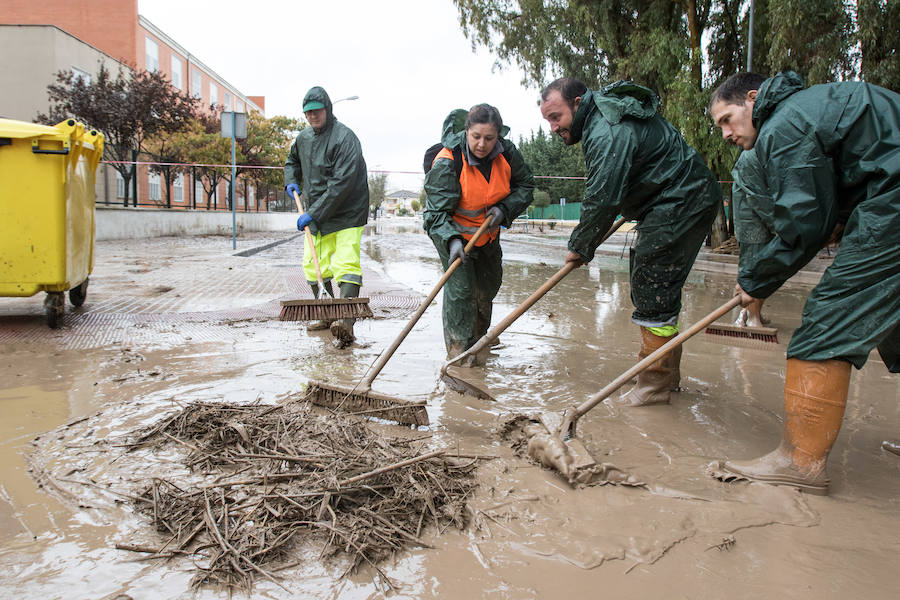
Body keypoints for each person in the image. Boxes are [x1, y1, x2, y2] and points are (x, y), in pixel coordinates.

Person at [709, 71, 900, 494]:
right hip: (887, 199)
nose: (724, 133)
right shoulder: (813, 106)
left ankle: (799, 463)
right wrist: (842, 220)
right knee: (894, 323)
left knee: (828, 318)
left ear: (754, 100)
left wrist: (756, 280)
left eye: (726, 119)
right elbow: (859, 171)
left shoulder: (784, 125)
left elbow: (804, 225)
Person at [539, 77, 720, 405]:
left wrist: (580, 245)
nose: (553, 127)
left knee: (653, 287)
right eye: (547, 120)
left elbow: (602, 195)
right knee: (658, 289)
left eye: (556, 117)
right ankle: (668, 380)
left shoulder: (606, 128)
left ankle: (653, 387)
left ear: (578, 104)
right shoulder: (604, 117)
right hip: (673, 197)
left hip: (679, 200)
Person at [423, 104, 534, 364]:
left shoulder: (507, 153)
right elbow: (435, 215)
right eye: (476, 137)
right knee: (461, 292)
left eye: (489, 138)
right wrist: (451, 241)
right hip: (453, 237)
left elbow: (526, 184)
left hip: (488, 235)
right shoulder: (448, 162)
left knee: (487, 287)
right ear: (467, 132)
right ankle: (458, 355)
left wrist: (505, 209)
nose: (482, 144)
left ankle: (478, 341)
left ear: (498, 136)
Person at [284, 86, 369, 349]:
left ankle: (345, 321)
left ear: (328, 109)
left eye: (317, 111)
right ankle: (325, 314)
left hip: (347, 212)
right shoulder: (303, 139)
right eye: (308, 113)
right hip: (318, 213)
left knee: (345, 264)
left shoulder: (345, 138)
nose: (313, 117)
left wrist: (313, 213)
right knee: (313, 264)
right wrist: (291, 181)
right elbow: (292, 162)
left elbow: (341, 185)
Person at [730, 149, 772, 329]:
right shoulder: (750, 156)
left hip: (763, 222)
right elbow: (758, 199)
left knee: (764, 271)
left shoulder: (764, 153)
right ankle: (751, 317)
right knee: (754, 271)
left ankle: (750, 314)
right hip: (753, 225)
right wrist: (779, 225)